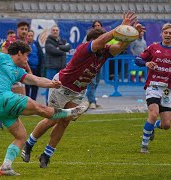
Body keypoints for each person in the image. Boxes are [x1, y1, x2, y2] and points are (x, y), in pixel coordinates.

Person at [21, 11, 145, 168]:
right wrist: (121, 27)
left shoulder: (105, 51)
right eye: (103, 41)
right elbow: (103, 40)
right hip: (62, 86)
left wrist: (132, 35)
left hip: (78, 90)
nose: (105, 45)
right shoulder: (85, 48)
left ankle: (46, 155)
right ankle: (29, 144)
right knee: (53, 119)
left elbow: (120, 46)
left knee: (65, 121)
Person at [0, 40, 88, 176]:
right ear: (19, 53)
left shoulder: (18, 71)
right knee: (41, 109)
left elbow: (36, 80)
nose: (27, 59)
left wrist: (52, 84)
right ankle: (72, 112)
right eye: (26, 55)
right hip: (4, 98)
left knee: (21, 137)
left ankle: (5, 167)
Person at [134, 22, 171, 154]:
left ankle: (152, 126)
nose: (168, 35)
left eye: (170, 33)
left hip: (167, 89)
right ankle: (144, 146)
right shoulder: (153, 47)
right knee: (153, 113)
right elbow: (137, 59)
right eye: (165, 32)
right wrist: (146, 63)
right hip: (153, 85)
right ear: (162, 34)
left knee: (167, 125)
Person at [1, 21, 32, 95]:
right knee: (17, 97)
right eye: (22, 29)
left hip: (21, 72)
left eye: (26, 29)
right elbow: (4, 51)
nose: (24, 31)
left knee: (22, 96)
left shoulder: (25, 42)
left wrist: (29, 70)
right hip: (12, 72)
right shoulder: (12, 41)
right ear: (17, 30)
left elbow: (24, 59)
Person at [44, 25, 71, 105]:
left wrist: (58, 47)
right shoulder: (48, 41)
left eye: (56, 30)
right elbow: (53, 51)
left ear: (59, 32)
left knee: (61, 87)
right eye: (53, 30)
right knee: (50, 86)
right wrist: (63, 50)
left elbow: (68, 47)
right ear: (51, 32)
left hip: (61, 68)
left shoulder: (62, 40)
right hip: (52, 67)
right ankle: (48, 103)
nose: (55, 31)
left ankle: (58, 103)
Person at [86, 20, 104, 109]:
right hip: (91, 63)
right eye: (96, 25)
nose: (97, 27)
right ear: (93, 28)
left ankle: (90, 100)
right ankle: (92, 101)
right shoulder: (90, 37)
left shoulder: (105, 37)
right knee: (92, 83)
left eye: (99, 25)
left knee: (96, 82)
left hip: (100, 62)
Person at [25, 30, 44, 101]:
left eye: (31, 36)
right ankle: (27, 102)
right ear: (26, 37)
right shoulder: (24, 44)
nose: (30, 37)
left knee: (35, 86)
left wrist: (41, 69)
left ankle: (33, 102)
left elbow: (41, 56)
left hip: (36, 69)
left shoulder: (36, 44)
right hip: (27, 70)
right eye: (28, 36)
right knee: (27, 86)